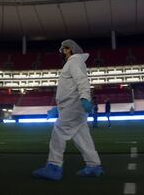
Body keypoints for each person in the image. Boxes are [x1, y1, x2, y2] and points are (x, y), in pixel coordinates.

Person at [33, 39, 103, 180]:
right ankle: (94, 165)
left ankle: (54, 166)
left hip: (73, 105)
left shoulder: (74, 61)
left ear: (69, 49)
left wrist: (85, 98)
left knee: (58, 131)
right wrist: (58, 108)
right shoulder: (74, 62)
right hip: (73, 106)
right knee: (82, 136)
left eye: (63, 49)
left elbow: (82, 80)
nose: (61, 52)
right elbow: (69, 89)